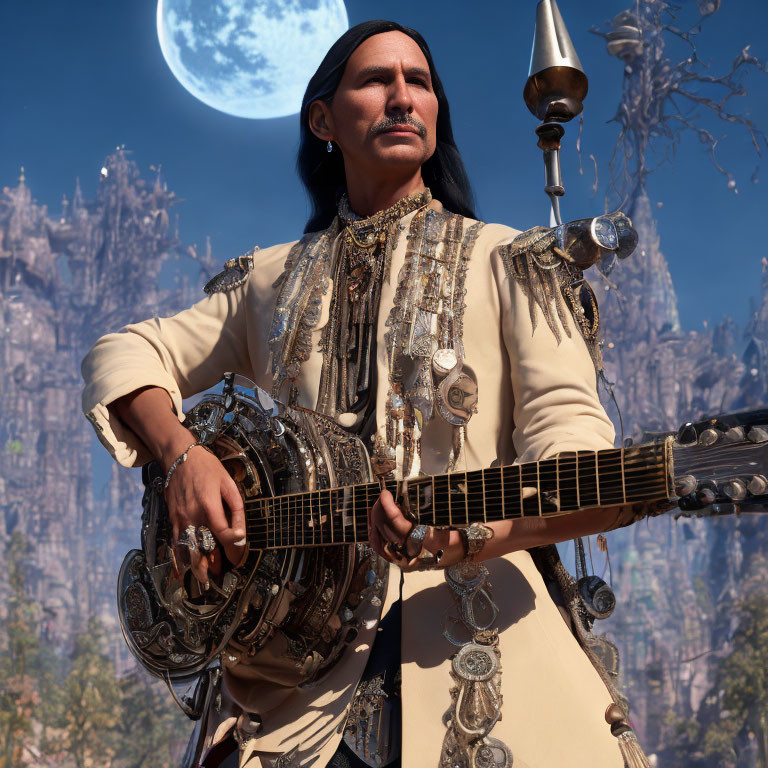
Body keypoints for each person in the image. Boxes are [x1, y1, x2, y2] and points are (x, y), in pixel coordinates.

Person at [82, 20, 651, 768]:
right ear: (322, 119)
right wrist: (183, 456)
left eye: (420, 83)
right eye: (377, 80)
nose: (403, 98)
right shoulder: (268, 278)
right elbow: (126, 350)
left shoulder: (515, 263)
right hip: (286, 683)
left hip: (481, 657)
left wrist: (480, 532)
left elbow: (581, 463)